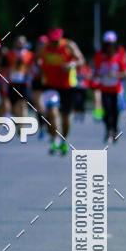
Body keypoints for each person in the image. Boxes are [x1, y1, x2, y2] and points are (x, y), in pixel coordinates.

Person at [37, 27, 84, 155]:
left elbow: (81, 60)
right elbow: (37, 60)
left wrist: (71, 65)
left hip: (67, 86)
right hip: (50, 85)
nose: (54, 43)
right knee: (52, 112)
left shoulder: (69, 45)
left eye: (56, 41)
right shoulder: (44, 47)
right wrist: (40, 64)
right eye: (52, 41)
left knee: (65, 117)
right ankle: (54, 139)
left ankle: (63, 140)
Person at [91, 31, 126, 143]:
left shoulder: (119, 56)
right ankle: (108, 130)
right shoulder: (99, 56)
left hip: (116, 88)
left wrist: (117, 74)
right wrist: (99, 74)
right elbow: (95, 71)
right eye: (107, 45)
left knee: (115, 110)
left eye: (112, 45)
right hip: (104, 88)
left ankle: (115, 130)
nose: (109, 48)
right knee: (106, 110)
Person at [3, 35, 34, 118]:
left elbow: (33, 69)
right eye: (19, 42)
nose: (20, 44)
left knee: (23, 104)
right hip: (12, 84)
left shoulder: (30, 55)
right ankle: (17, 124)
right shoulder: (9, 54)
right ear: (15, 43)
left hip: (24, 84)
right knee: (13, 107)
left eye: (22, 42)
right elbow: (2, 68)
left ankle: (22, 128)